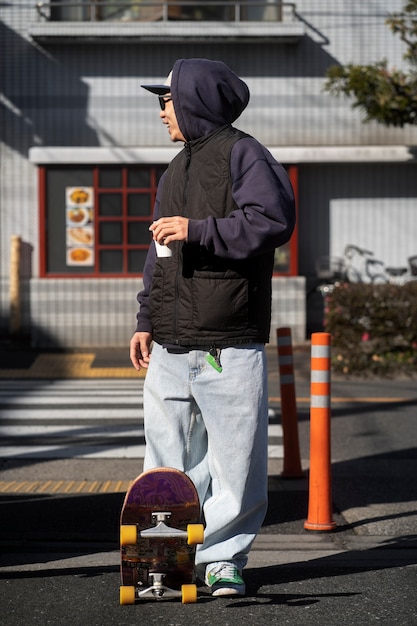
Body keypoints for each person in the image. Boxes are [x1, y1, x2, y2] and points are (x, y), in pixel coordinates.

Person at [130, 58, 295, 597]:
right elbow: (159, 255)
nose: (161, 113)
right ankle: (165, 561)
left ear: (195, 99)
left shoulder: (245, 154)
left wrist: (197, 229)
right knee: (166, 463)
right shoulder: (174, 170)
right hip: (172, 344)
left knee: (234, 463)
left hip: (230, 338)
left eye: (167, 100)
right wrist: (145, 319)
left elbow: (272, 221)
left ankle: (223, 560)